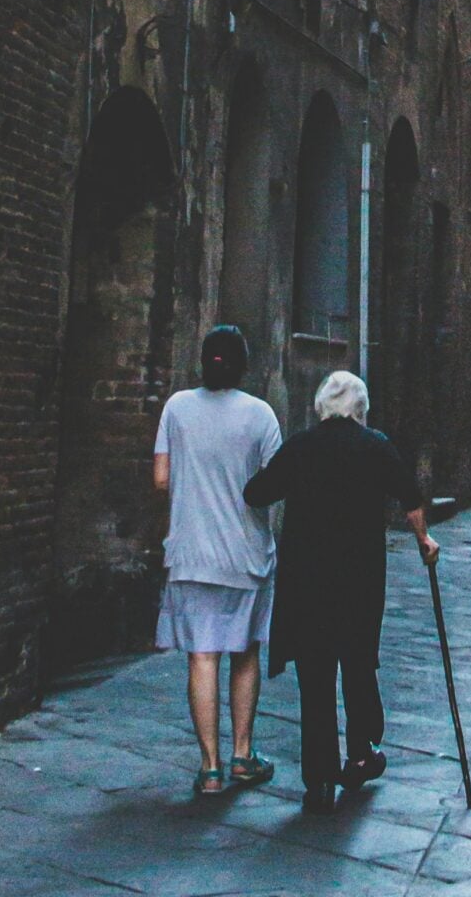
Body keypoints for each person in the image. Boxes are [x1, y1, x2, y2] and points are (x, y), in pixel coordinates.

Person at [243, 369, 437, 813]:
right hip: (359, 580)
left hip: (307, 581)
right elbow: (411, 498)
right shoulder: (376, 446)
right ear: (361, 411)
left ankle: (318, 776)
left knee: (315, 678)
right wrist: (425, 541)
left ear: (320, 409)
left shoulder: (300, 448)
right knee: (358, 663)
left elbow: (257, 493)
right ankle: (362, 752)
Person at [152, 324, 281, 799]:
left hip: (190, 553)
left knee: (201, 657)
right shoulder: (260, 414)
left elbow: (161, 478)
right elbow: (274, 481)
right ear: (244, 365)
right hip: (245, 555)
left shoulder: (177, 408)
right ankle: (242, 755)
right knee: (244, 653)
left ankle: (209, 768)